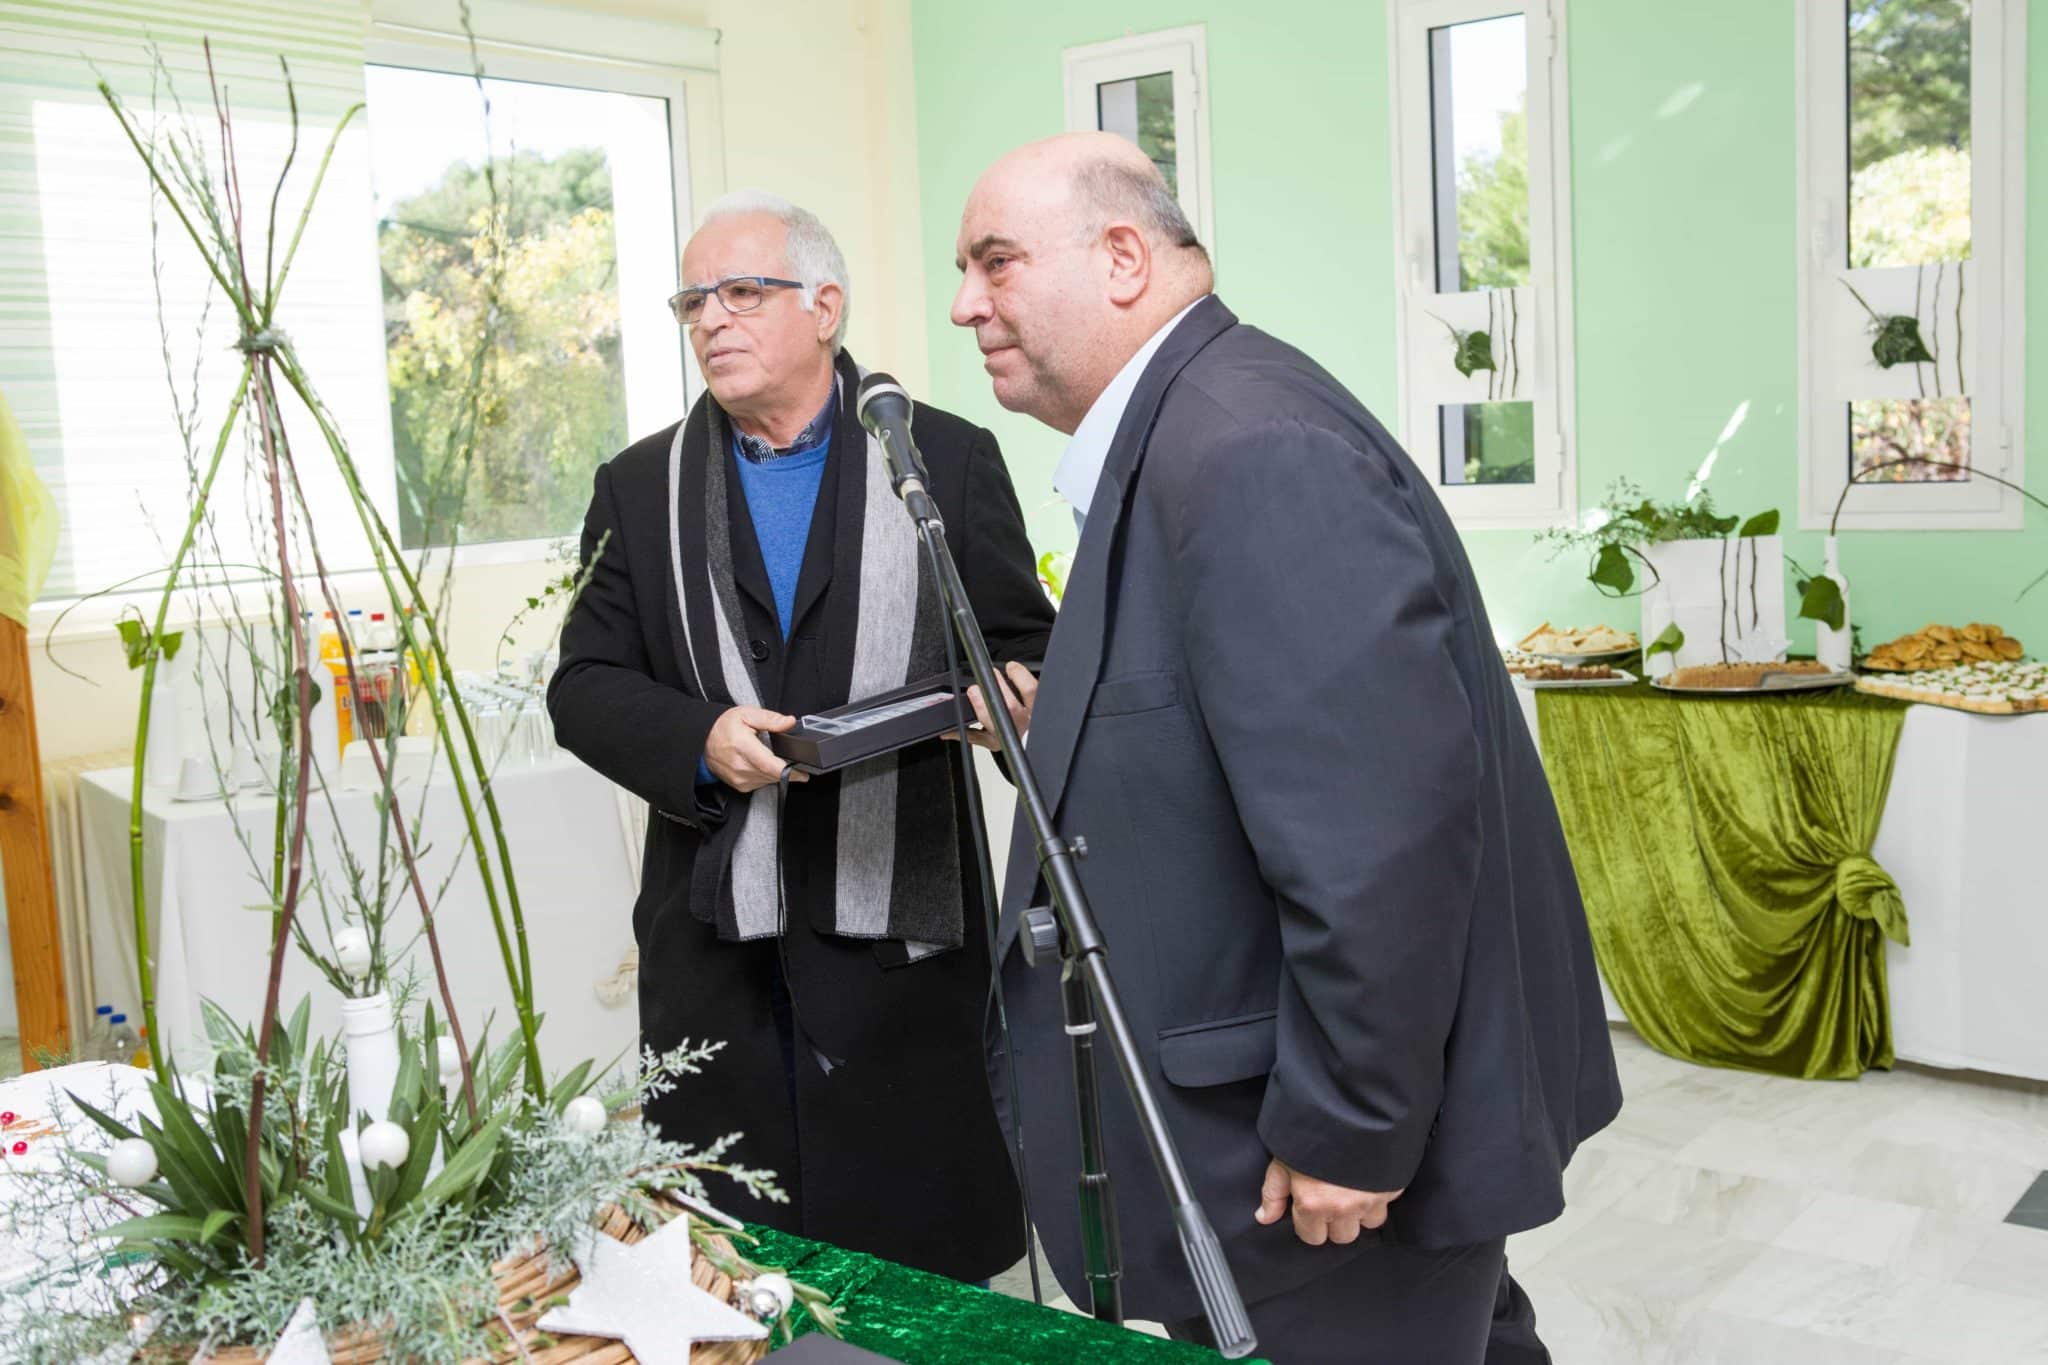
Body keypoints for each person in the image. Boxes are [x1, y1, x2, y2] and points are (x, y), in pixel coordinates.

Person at [946, 133, 1621, 1361]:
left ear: (1121, 259)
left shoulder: (1246, 446)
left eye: (995, 263)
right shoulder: (1190, 428)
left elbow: (1379, 838)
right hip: (1267, 1130)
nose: (964, 306)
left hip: (1312, 1177)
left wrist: (1349, 1127)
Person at [548, 190, 1051, 1283]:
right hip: (716, 958)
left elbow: (1025, 647)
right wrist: (700, 735)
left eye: (741, 292)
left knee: (919, 1290)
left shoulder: (942, 460)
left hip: (905, 962)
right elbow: (582, 685)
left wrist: (1008, 700)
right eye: (693, 301)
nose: (710, 319)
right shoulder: (637, 488)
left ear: (825, 307)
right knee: (736, 1283)